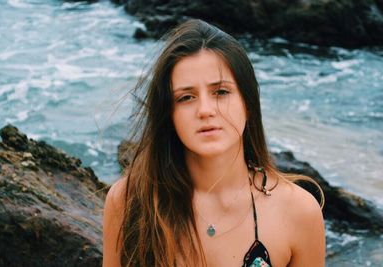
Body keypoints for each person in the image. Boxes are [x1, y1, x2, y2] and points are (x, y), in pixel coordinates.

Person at [103, 19, 325, 267]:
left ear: (248, 103)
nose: (205, 110)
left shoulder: (299, 212)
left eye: (221, 92)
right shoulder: (130, 201)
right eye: (186, 97)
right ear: (169, 114)